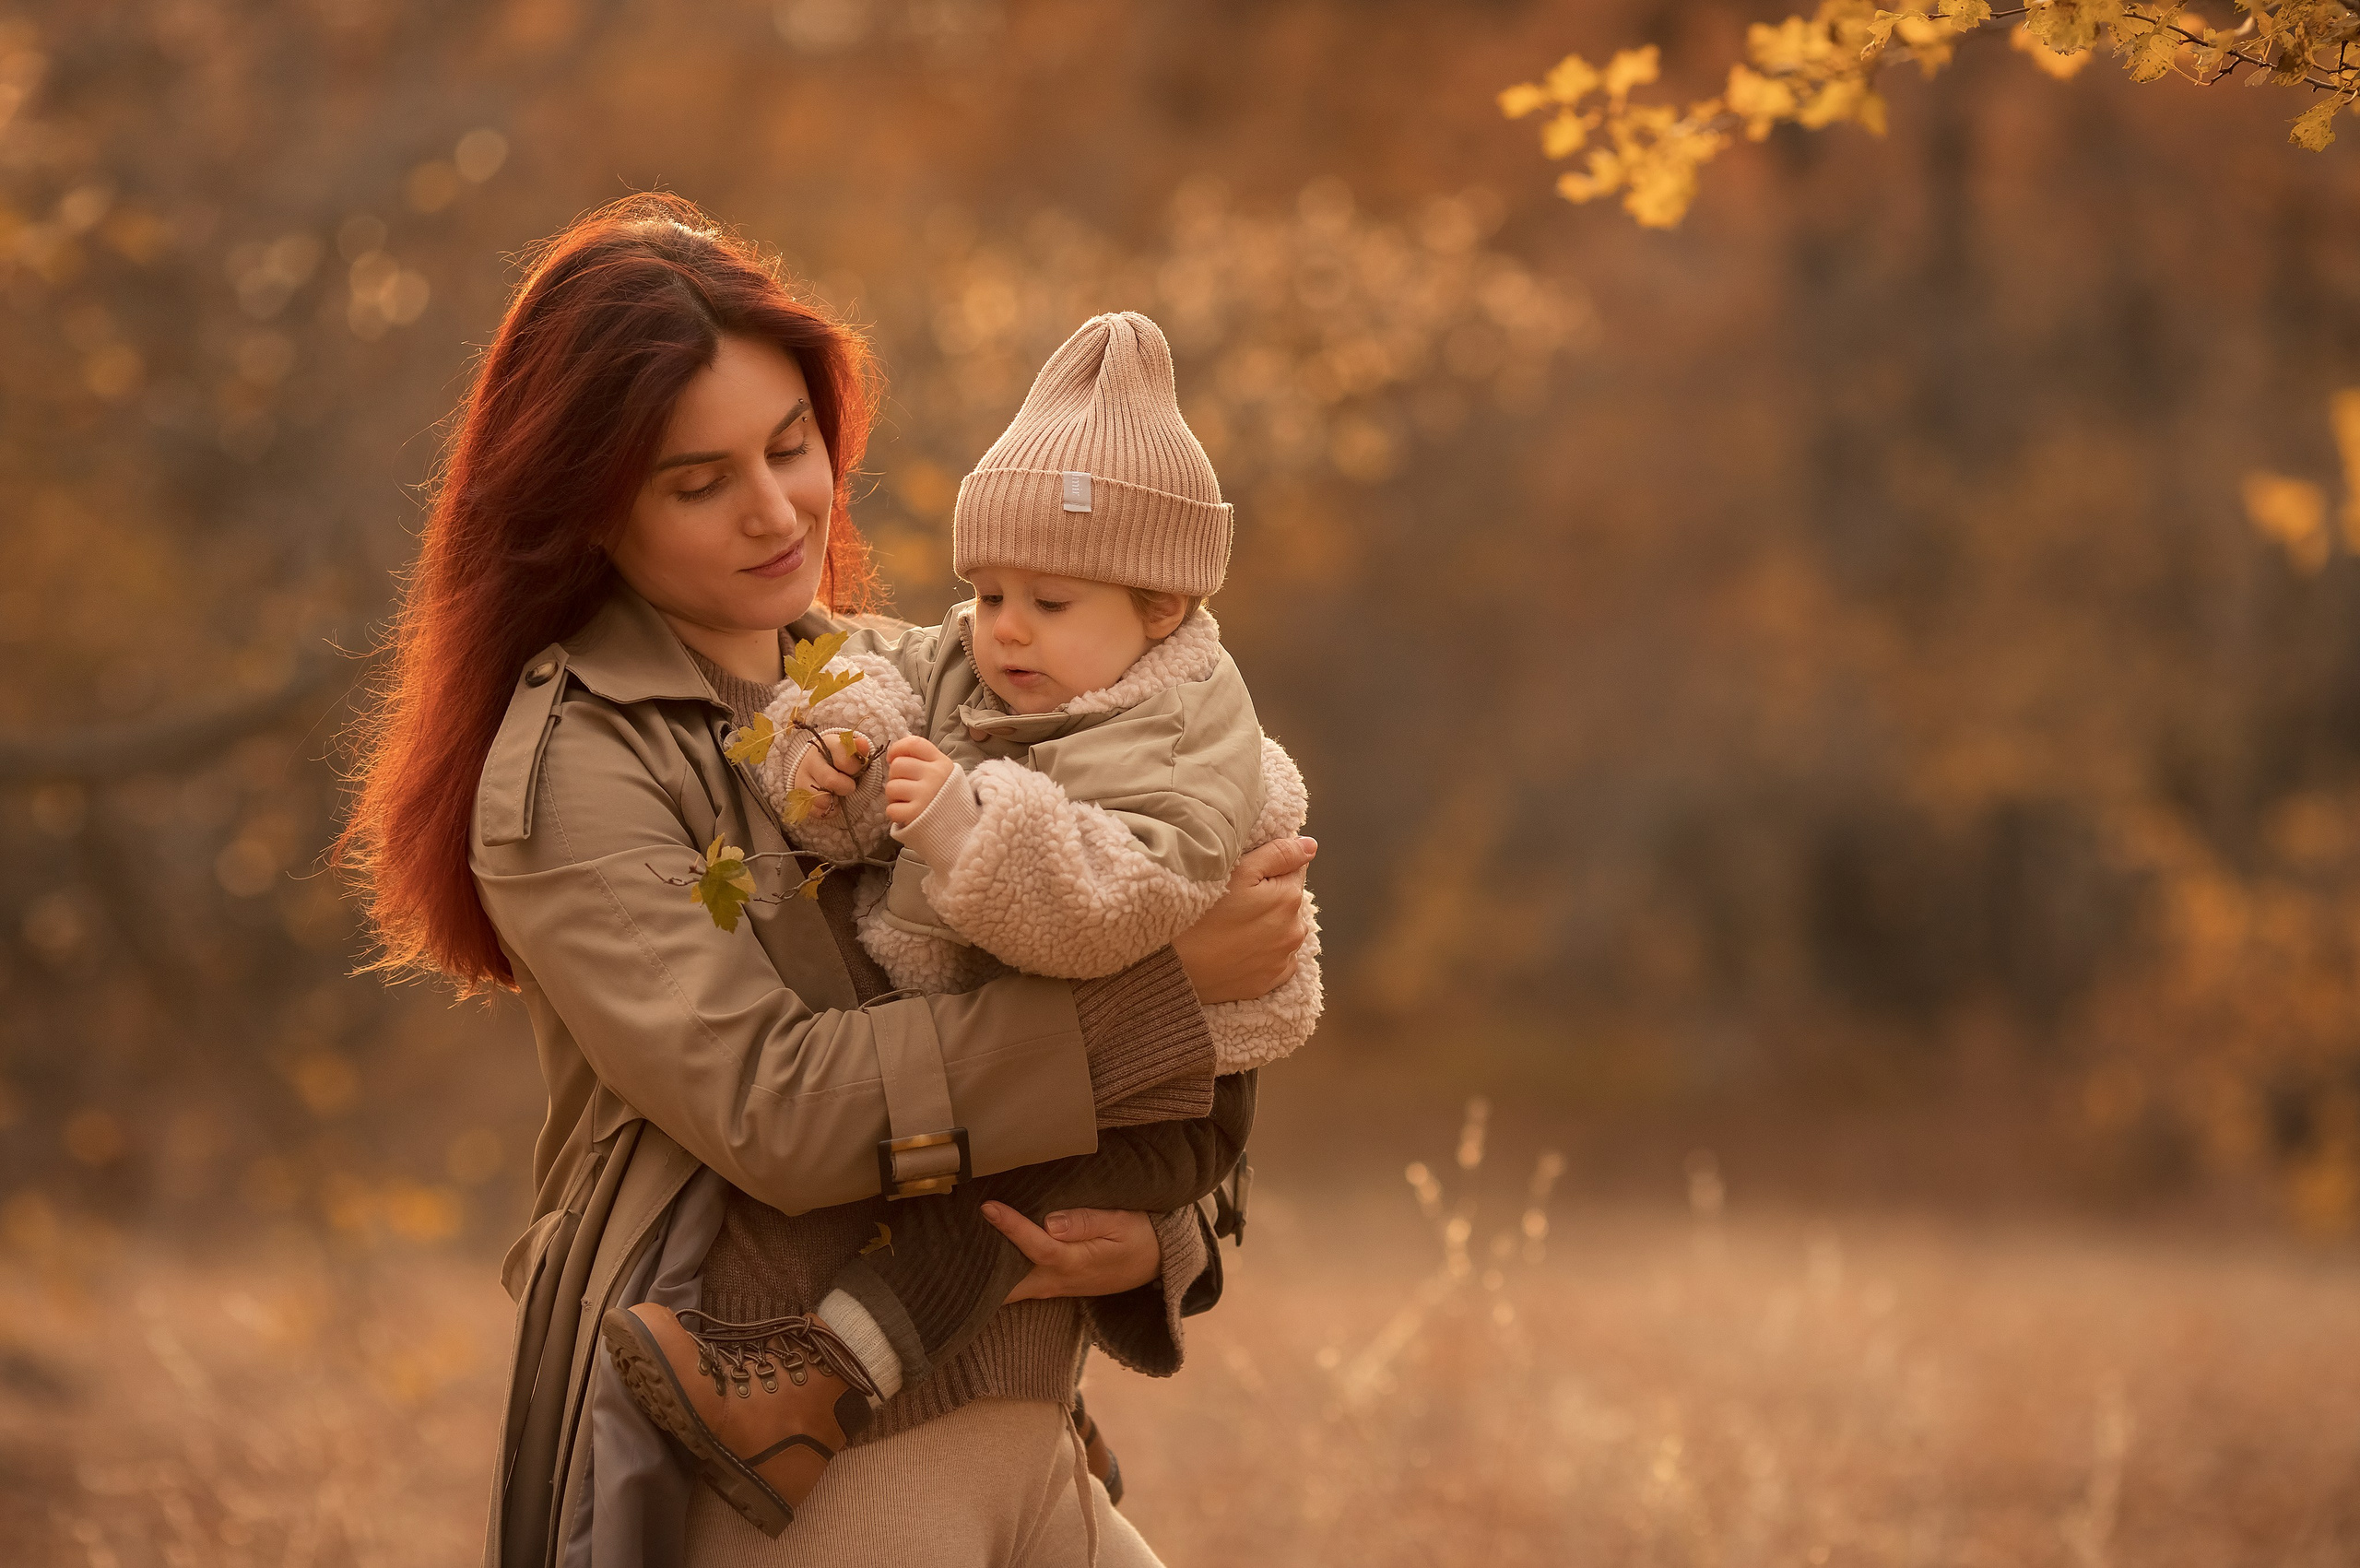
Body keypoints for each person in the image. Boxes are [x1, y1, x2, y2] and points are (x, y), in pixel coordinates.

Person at [330, 193, 1315, 1568]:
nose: (774, 508)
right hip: (820, 1483)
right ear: (587, 510)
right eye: (698, 482)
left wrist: (1163, 1232)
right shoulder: (576, 769)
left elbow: (1149, 930)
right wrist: (1151, 997)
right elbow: (778, 1109)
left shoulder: (918, 671)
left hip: (1034, 1437)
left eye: (792, 446)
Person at [603, 312, 1323, 1531]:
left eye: (1048, 599)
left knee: (974, 1210)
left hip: (1176, 1100)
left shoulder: (1185, 740)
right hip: (1083, 1086)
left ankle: (816, 1388)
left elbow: (1108, 907)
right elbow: (890, 703)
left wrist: (961, 824)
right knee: (985, 1188)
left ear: (1161, 609)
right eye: (987, 592)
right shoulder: (992, 661)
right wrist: (824, 760)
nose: (1006, 627)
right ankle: (966, 1404)